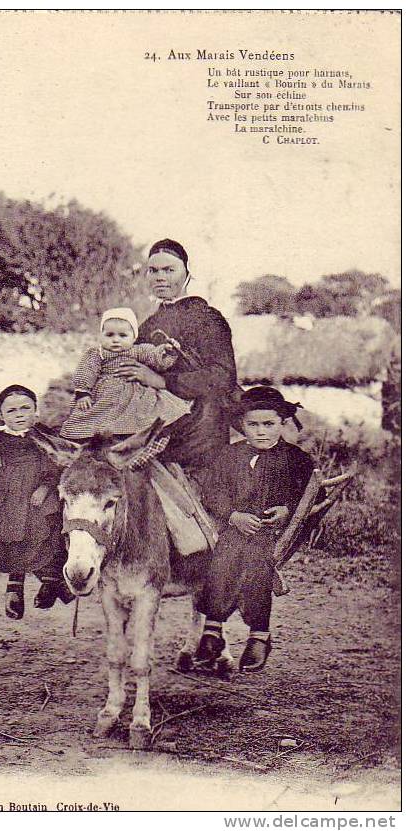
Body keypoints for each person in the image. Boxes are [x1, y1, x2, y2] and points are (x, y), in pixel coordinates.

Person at [195, 386, 315, 672]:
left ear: (282, 424)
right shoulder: (229, 456)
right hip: (235, 526)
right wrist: (233, 515)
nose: (261, 432)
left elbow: (311, 495)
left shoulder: (297, 460)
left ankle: (259, 633)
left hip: (273, 531)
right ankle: (213, 629)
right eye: (253, 425)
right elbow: (211, 492)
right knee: (221, 559)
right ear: (242, 425)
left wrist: (287, 510)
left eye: (269, 424)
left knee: (257, 560)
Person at [113, 239, 238, 480]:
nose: (160, 277)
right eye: (154, 271)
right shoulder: (147, 326)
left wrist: (162, 381)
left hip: (201, 433)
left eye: (169, 270)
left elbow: (222, 377)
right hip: (156, 431)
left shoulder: (207, 318)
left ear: (187, 274)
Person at [0, 384, 72, 620]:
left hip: (43, 491)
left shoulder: (44, 434)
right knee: (14, 536)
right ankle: (16, 585)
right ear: (2, 416)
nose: (20, 414)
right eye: (12, 411)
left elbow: (59, 462)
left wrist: (44, 488)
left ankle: (51, 581)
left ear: (36, 411)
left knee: (45, 534)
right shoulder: (0, 438)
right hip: (13, 495)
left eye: (26, 408)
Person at [60, 307, 191, 441]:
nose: (116, 340)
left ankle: (129, 434)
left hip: (132, 392)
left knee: (146, 410)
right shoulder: (98, 353)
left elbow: (155, 358)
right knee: (92, 416)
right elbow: (86, 370)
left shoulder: (138, 350)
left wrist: (167, 352)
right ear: (101, 335)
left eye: (123, 335)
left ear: (134, 337)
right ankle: (89, 436)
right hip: (105, 392)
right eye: (109, 335)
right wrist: (83, 393)